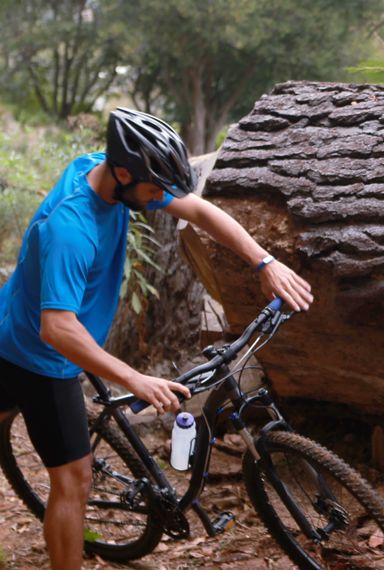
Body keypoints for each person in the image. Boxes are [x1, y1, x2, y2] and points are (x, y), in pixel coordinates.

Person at [0, 107, 314, 569]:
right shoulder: (71, 228)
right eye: (153, 190)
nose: (160, 199)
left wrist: (264, 262)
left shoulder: (108, 171)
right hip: (36, 355)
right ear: (123, 173)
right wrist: (137, 378)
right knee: (74, 479)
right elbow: (58, 328)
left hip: (27, 329)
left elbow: (199, 210)